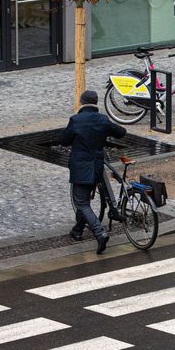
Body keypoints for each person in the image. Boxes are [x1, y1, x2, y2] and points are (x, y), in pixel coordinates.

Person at [61, 90, 127, 254]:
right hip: (97, 166)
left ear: (82, 102)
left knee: (81, 203)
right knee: (84, 202)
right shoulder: (103, 119)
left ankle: (100, 233)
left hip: (81, 167)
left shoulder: (76, 120)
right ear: (96, 103)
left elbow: (63, 140)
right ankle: (77, 230)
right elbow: (121, 132)